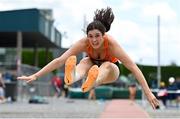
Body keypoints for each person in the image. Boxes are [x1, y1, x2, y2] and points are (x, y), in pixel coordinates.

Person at [17, 7, 159, 109]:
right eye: (90, 36)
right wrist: (36, 75)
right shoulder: (83, 43)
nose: (94, 40)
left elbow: (133, 67)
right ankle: (72, 76)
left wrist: (148, 92)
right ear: (87, 36)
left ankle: (93, 80)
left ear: (103, 36)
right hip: (91, 66)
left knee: (106, 66)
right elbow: (60, 60)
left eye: (97, 36)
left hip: (110, 71)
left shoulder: (112, 44)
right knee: (84, 61)